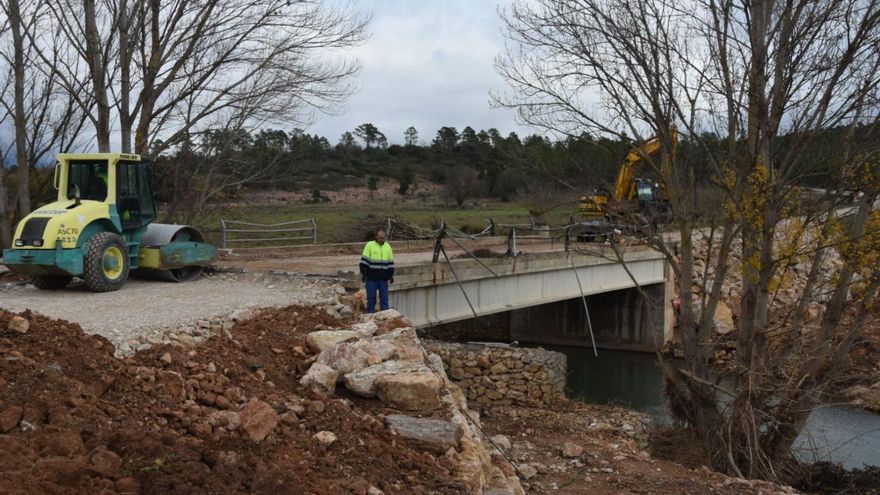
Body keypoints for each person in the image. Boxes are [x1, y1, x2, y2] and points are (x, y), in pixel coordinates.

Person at [359, 228, 394, 313]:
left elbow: (390, 263)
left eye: (383, 238)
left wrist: (390, 275)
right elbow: (364, 262)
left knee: (384, 299)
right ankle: (370, 315)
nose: (382, 240)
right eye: (380, 238)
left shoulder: (388, 246)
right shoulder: (370, 245)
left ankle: (385, 316)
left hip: (383, 278)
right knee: (371, 298)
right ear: (376, 237)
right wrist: (364, 273)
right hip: (371, 278)